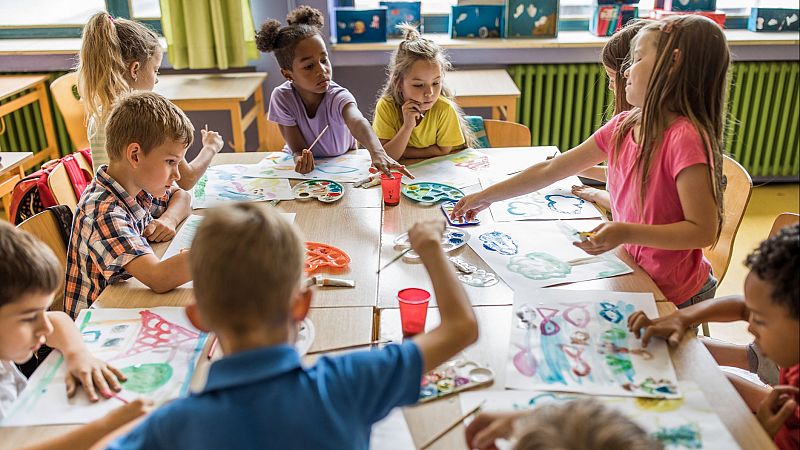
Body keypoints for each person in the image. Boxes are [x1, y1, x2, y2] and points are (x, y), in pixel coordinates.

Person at [106, 205, 478, 449]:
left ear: (197, 317)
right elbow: (461, 327)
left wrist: (120, 423)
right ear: (302, 304)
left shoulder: (172, 428)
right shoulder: (348, 383)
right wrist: (430, 246)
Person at [453, 16, 728, 308]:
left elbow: (703, 230)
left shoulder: (685, 138)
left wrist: (626, 230)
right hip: (635, 270)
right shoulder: (623, 125)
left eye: (636, 59)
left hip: (676, 294)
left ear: (671, 65)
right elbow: (551, 169)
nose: (626, 72)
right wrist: (486, 196)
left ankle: (750, 357)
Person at [64, 92, 193, 318]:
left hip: (126, 308)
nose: (177, 174)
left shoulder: (138, 185)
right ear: (135, 155)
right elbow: (158, 278)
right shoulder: (102, 211)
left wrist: (168, 219)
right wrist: (218, 250)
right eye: (170, 162)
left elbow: (182, 196)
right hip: (99, 326)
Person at [256, 6, 408, 177]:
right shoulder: (282, 98)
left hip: (343, 164)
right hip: (306, 171)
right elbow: (297, 148)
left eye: (323, 60)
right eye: (309, 66)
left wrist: (377, 152)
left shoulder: (338, 96)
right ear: (287, 74)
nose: (322, 70)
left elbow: (358, 121)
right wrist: (300, 157)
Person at [77, 12, 223, 188]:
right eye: (156, 70)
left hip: (115, 204)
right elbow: (187, 179)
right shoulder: (145, 119)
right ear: (135, 69)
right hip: (141, 210)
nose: (156, 79)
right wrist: (211, 147)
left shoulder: (97, 117)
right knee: (183, 198)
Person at [372, 24, 476, 160]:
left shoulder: (444, 109)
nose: (429, 93)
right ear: (398, 83)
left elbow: (444, 151)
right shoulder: (387, 106)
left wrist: (404, 152)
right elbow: (386, 156)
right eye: (418, 85)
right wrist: (408, 126)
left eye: (436, 83)